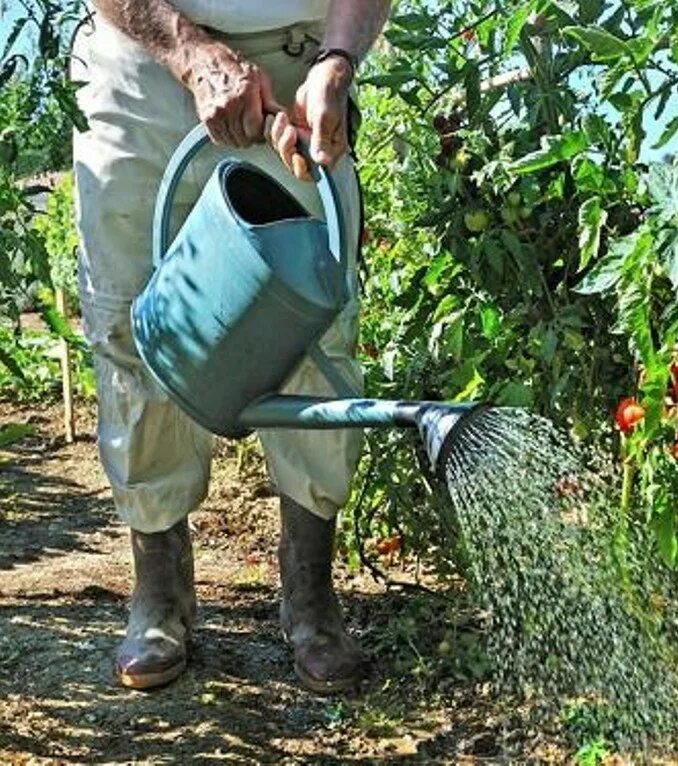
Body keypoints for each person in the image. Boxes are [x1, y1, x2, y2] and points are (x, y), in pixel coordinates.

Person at [71, 0, 390, 693]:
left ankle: (310, 593)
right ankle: (160, 590)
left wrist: (338, 58)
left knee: (313, 319)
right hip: (143, 58)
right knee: (134, 323)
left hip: (299, 68)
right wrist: (189, 52)